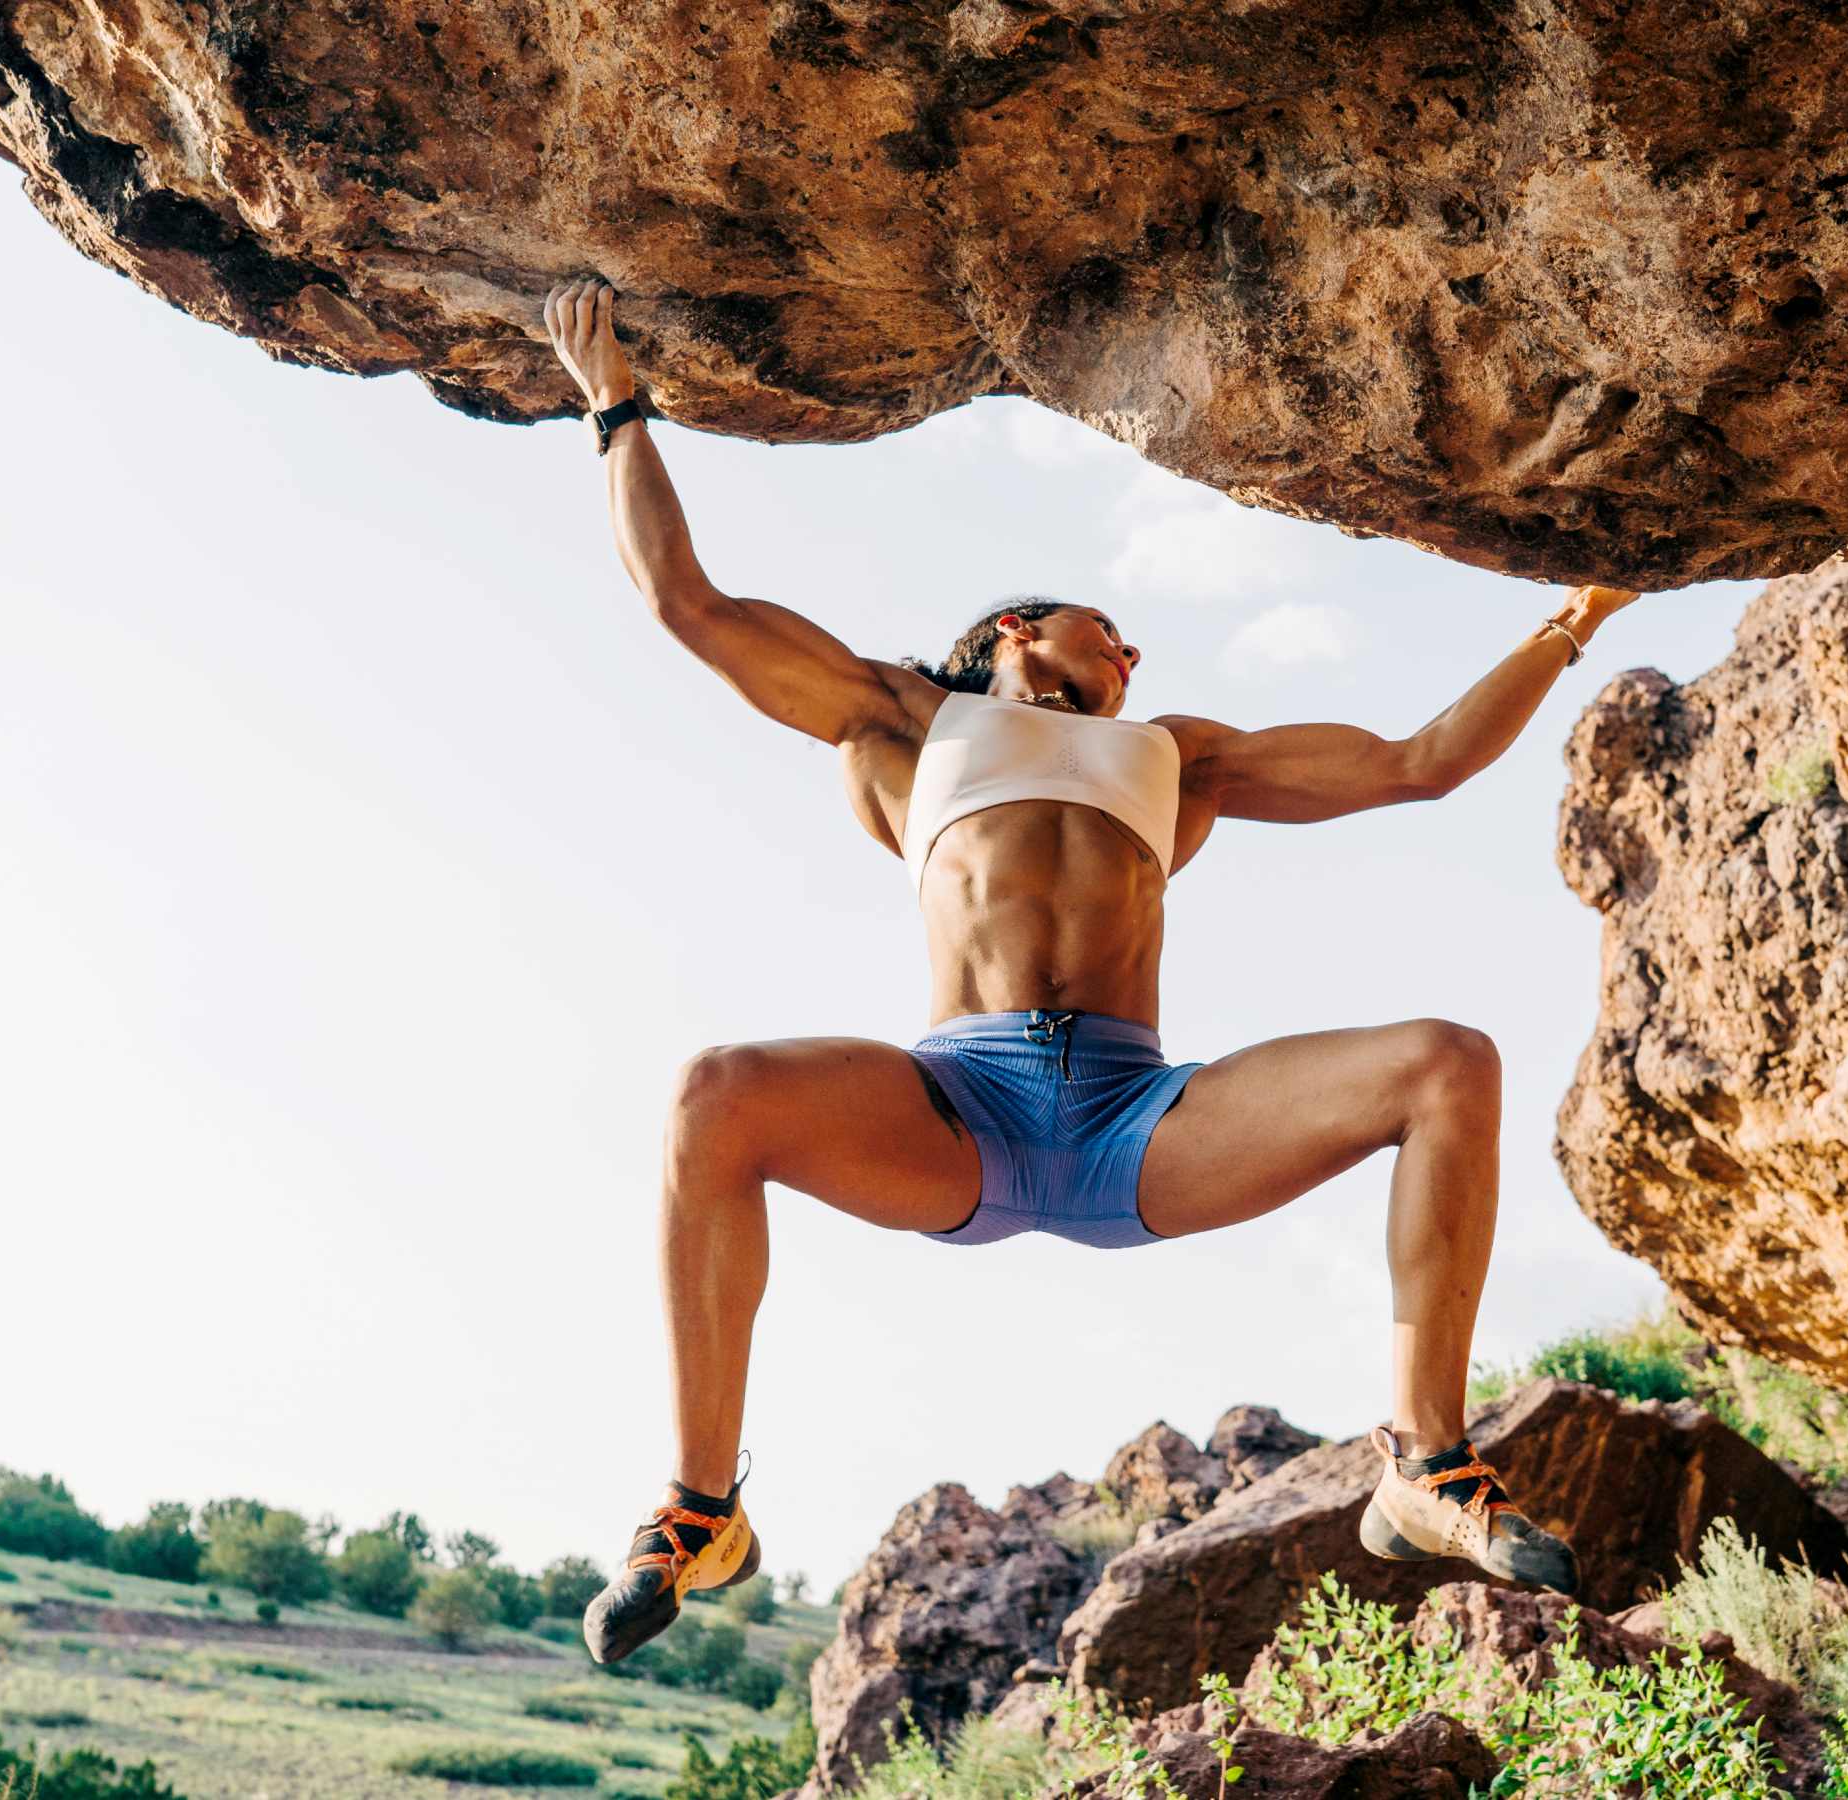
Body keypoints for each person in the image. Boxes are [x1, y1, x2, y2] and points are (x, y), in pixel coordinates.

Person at [539, 279, 1646, 1665]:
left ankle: (1423, 1465)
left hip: (1140, 1120)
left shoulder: (1181, 754)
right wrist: (614, 405)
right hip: (957, 1113)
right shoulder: (898, 721)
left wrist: (1582, 611)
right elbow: (686, 604)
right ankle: (704, 1507)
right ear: (1016, 632)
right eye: (1103, 627)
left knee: (1447, 1064)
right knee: (713, 1095)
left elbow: (1421, 763)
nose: (1132, 651)